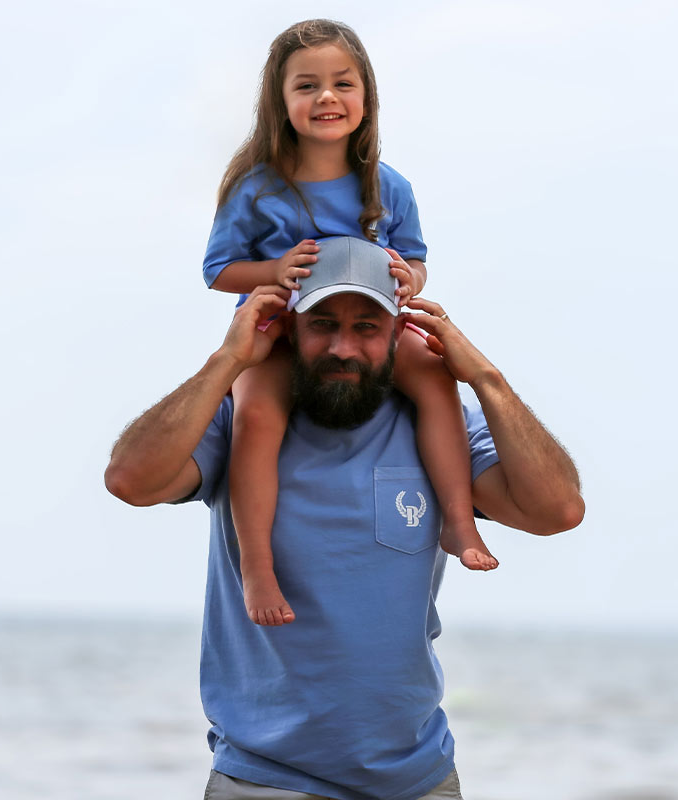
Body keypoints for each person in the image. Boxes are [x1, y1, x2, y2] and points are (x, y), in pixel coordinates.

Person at [104, 238, 585, 800]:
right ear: (289, 328)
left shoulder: (443, 435)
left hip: (419, 780)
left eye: (367, 328)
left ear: (398, 333)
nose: (343, 348)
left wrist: (487, 379)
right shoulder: (239, 424)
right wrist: (227, 361)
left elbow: (558, 510)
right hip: (263, 780)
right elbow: (130, 480)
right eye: (323, 323)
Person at [204, 18, 495, 629]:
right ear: (281, 104)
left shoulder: (389, 187)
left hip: (366, 325)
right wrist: (276, 267)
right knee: (256, 416)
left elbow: (413, 261)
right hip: (280, 327)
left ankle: (458, 520)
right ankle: (257, 565)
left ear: (366, 97)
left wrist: (407, 279)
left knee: (438, 379)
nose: (327, 98)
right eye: (306, 87)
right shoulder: (255, 190)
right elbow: (219, 271)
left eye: (343, 83)